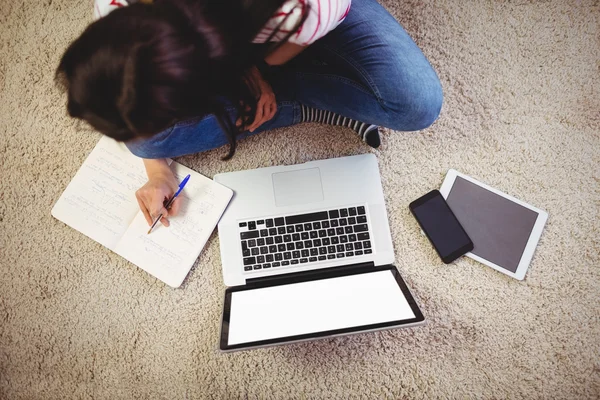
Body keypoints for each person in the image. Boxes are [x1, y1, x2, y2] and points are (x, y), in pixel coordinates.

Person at [57, 0, 442, 228]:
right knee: (143, 140)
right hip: (232, 44)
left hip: (299, 20)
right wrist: (158, 172)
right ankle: (316, 100)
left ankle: (302, 99)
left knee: (415, 103)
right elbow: (129, 104)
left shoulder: (303, 10)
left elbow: (281, 49)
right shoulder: (120, 7)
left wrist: (262, 72)